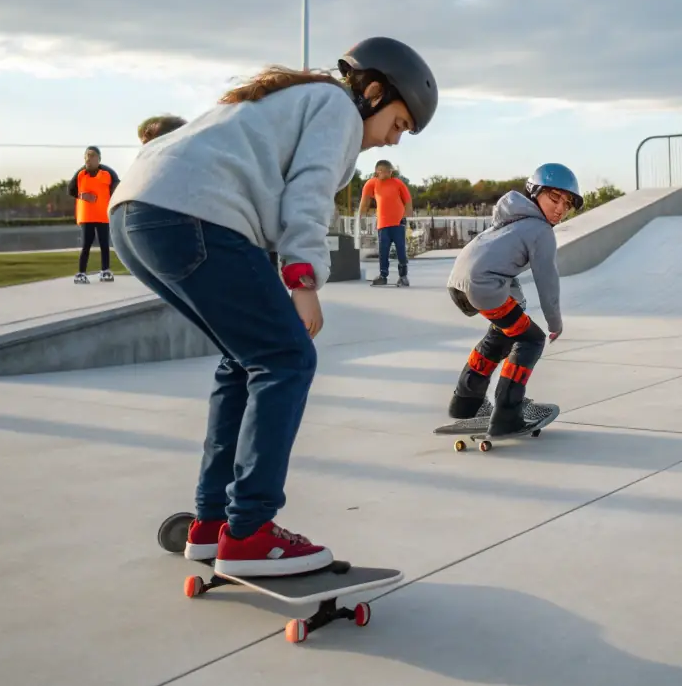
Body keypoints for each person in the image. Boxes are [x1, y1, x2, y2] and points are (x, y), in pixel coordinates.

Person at [109, 38, 438, 576]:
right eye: (399, 123)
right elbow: (307, 194)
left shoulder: (287, 102)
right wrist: (303, 278)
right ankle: (251, 532)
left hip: (139, 213)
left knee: (243, 361)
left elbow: (254, 193)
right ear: (374, 92)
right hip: (190, 213)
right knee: (287, 359)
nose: (395, 141)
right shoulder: (337, 109)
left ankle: (213, 524)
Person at [445, 164, 581, 437]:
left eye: (566, 205)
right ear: (534, 193)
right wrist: (555, 322)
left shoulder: (512, 219)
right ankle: (509, 411)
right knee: (531, 339)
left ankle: (466, 402)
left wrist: (516, 304)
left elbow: (503, 267)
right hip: (484, 284)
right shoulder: (541, 230)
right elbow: (547, 281)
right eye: (554, 198)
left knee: (501, 335)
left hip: (460, 281)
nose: (559, 209)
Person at [68, 147, 120, 284]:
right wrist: (81, 195)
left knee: (104, 244)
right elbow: (70, 189)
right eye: (86, 156)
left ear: (99, 158)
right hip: (87, 216)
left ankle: (105, 271)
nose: (88, 159)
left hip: (102, 215)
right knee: (86, 244)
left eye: (91, 156)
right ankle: (81, 273)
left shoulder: (108, 173)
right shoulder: (80, 174)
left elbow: (117, 186)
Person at [359, 159, 412, 287]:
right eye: (386, 171)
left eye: (390, 171)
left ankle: (403, 276)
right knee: (383, 251)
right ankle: (383, 276)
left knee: (401, 250)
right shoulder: (371, 184)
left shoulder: (398, 183)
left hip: (398, 222)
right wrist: (361, 217)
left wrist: (406, 217)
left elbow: (408, 201)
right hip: (383, 224)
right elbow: (364, 201)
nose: (389, 174)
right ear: (378, 171)